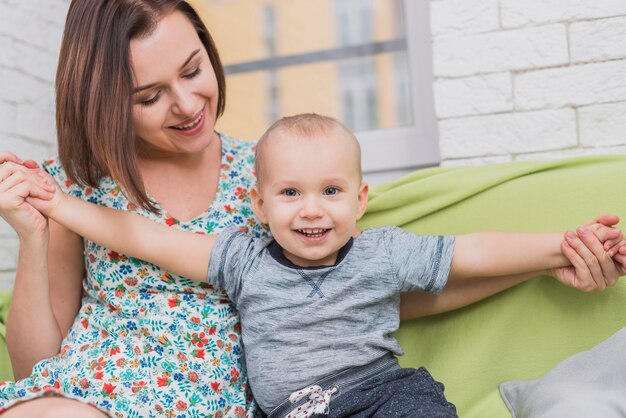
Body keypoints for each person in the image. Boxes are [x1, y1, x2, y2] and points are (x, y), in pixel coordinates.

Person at [17, 113, 626, 417]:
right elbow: (143, 236)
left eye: (332, 192)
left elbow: (475, 252)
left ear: (360, 201)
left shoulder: (383, 251)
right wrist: (55, 201)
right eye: (290, 194)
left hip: (382, 396)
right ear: (257, 204)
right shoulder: (241, 257)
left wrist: (559, 247)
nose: (313, 211)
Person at [0, 1, 266, 416]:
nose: (186, 104)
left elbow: (352, 284)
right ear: (105, 104)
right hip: (84, 398)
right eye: (150, 97)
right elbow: (34, 372)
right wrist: (34, 237)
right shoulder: (75, 188)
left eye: (193, 70)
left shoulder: (270, 177)